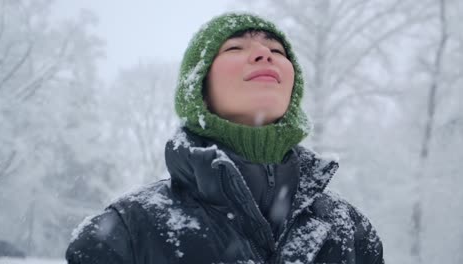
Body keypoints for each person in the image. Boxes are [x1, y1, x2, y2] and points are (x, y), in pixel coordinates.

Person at [66, 12, 384, 264]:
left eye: (277, 50)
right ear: (199, 91)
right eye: (234, 48)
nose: (264, 54)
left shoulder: (349, 230)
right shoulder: (127, 232)